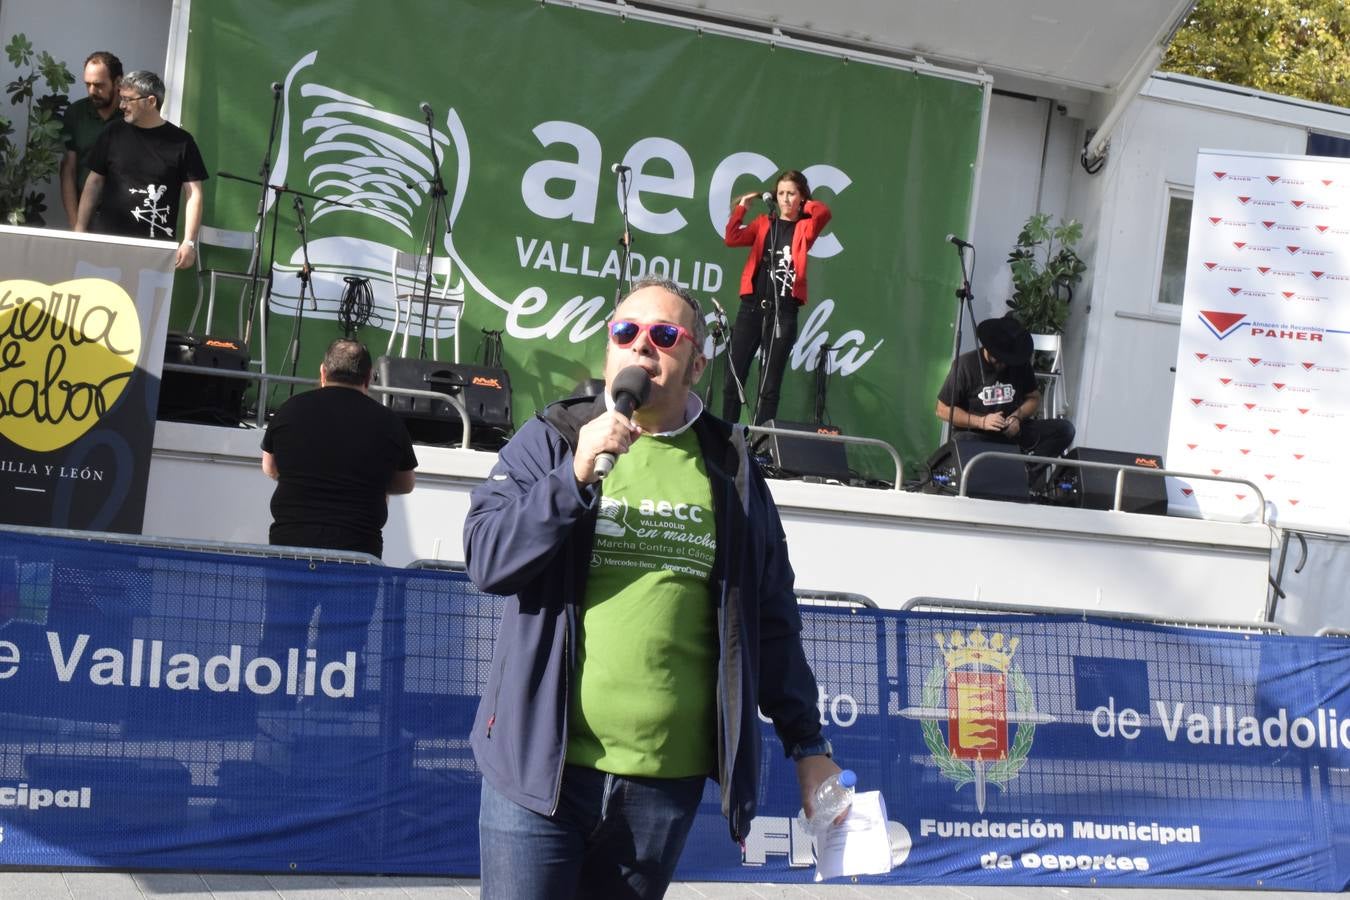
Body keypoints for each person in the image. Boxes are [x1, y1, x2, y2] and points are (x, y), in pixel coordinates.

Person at [465, 277, 843, 899]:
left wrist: (808, 744)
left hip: (659, 790)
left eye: (664, 336)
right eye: (627, 332)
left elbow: (770, 615)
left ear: (696, 364)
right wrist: (574, 476)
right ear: (608, 350)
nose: (643, 347)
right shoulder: (556, 436)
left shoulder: (730, 465)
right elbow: (488, 559)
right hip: (540, 775)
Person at [261, 338, 417, 558]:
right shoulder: (389, 422)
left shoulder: (289, 410)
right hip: (357, 556)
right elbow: (405, 483)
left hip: (289, 552)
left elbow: (269, 467)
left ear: (323, 373)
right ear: (368, 377)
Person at [721, 170, 832, 424]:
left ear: (801, 197)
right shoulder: (763, 223)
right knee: (733, 378)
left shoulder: (805, 227)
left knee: (769, 387)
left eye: (791, 193)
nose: (785, 199)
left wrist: (806, 204)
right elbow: (732, 237)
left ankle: (761, 444)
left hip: (783, 313)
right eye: (781, 193)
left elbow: (823, 212)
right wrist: (742, 208)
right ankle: (728, 435)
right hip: (751, 309)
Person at [73, 70, 206, 270]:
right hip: (106, 242)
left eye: (128, 99)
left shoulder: (182, 142)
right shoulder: (112, 132)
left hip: (155, 250)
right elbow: (94, 182)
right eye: (121, 98)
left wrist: (189, 242)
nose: (121, 106)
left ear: (151, 101)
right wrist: (80, 229)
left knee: (145, 302)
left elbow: (194, 193)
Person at [935, 315, 1075, 460]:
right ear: (989, 348)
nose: (1004, 364)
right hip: (977, 434)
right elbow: (942, 410)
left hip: (1011, 431)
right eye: (999, 359)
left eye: (1008, 360)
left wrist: (1016, 417)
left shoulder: (1019, 363)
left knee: (1065, 430)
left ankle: (1026, 472)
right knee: (963, 440)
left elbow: (1034, 398)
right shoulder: (965, 364)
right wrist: (981, 422)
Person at [59, 51, 122, 227]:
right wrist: (76, 225)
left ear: (117, 82)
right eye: (88, 85)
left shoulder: (130, 115)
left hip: (124, 216)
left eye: (99, 85)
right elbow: (68, 170)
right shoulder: (76, 113)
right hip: (85, 213)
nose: (92, 91)